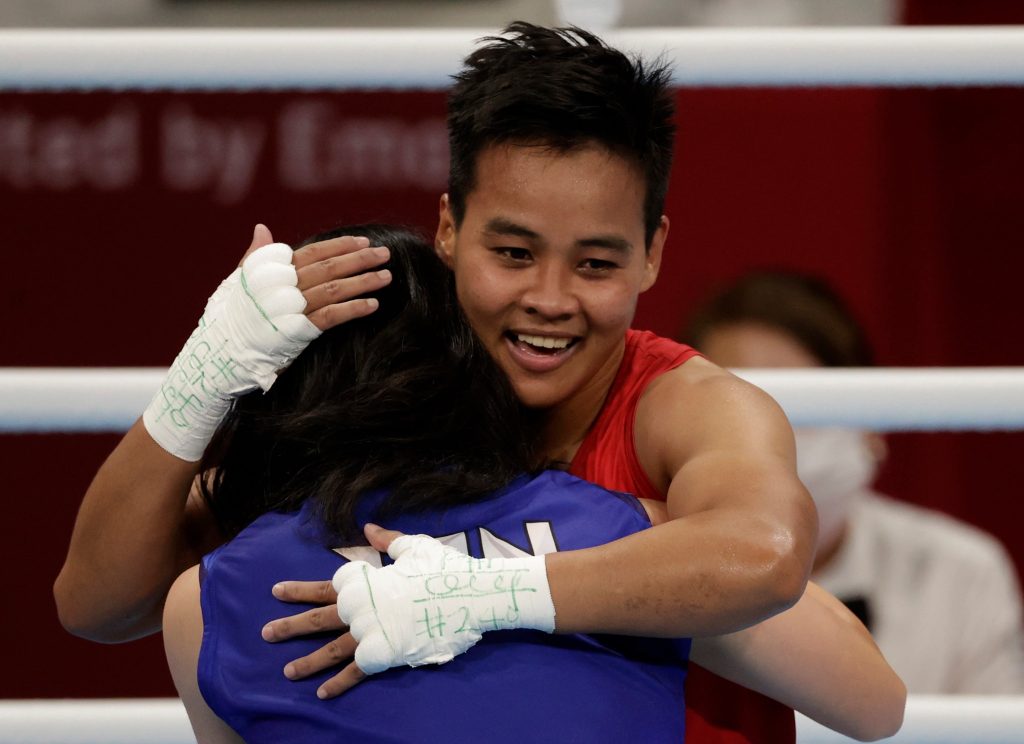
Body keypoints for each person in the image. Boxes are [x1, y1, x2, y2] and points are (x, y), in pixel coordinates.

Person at [58, 23, 853, 742]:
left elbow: (769, 558)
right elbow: (97, 605)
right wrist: (205, 370)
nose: (549, 298)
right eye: (514, 254)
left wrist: (491, 590)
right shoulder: (393, 403)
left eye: (595, 264)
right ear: (448, 229)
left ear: (652, 253)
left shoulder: (690, 409)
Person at [162, 224, 901, 743]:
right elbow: (877, 704)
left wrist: (205, 369)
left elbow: (102, 598)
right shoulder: (624, 529)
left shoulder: (207, 597)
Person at [684, 269, 1024, 694]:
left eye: (800, 411)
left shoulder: (962, 570)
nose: (776, 441)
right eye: (744, 414)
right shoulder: (644, 561)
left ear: (870, 427)